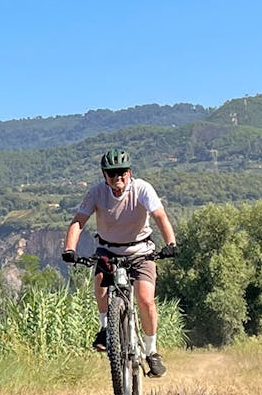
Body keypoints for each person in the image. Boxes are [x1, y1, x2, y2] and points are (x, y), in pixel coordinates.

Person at [61, 148, 178, 377]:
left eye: (122, 172)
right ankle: (106, 329)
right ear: (104, 176)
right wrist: (69, 248)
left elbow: (159, 216)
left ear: (129, 172)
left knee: (145, 299)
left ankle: (152, 351)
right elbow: (78, 221)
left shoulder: (142, 189)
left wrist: (171, 244)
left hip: (141, 251)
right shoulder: (96, 193)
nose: (118, 178)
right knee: (102, 290)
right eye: (112, 173)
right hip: (108, 250)